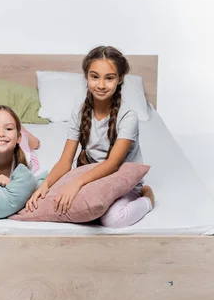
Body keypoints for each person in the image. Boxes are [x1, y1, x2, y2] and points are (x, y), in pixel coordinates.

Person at [26, 46, 155, 228]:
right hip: (91, 174)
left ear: (120, 79)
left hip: (120, 177)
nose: (101, 85)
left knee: (112, 220)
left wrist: (76, 183)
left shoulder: (128, 117)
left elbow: (113, 164)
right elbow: (65, 161)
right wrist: (45, 185)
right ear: (86, 77)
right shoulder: (79, 112)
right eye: (95, 76)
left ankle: (148, 198)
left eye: (109, 78)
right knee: (50, 198)